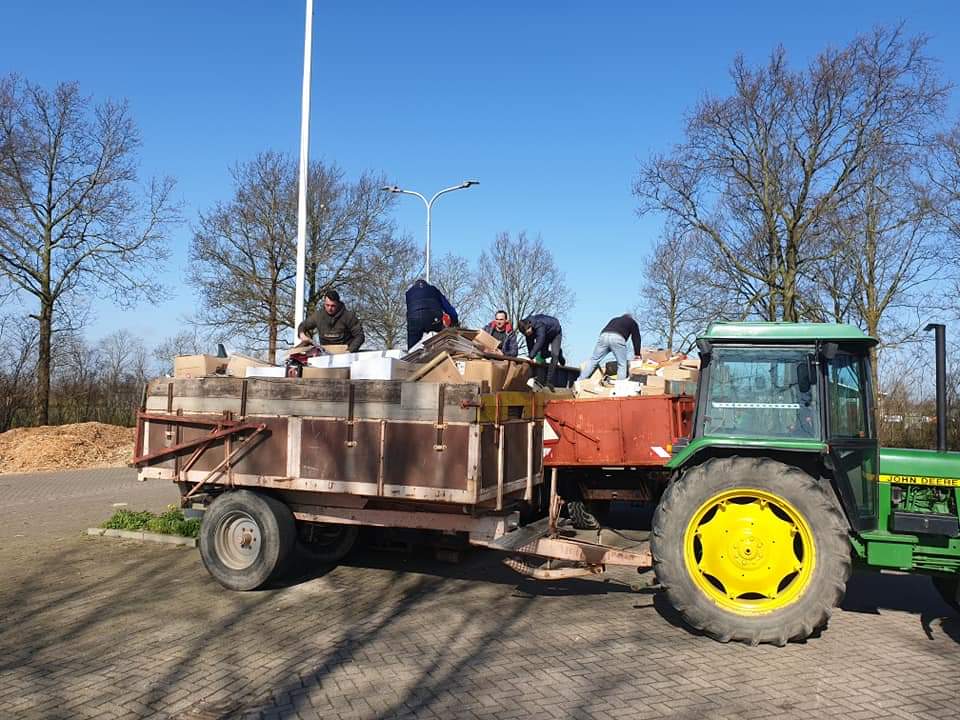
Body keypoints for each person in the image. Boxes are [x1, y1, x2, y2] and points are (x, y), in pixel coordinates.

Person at [297, 289, 365, 352]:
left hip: (345, 352)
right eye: (327, 305)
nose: (330, 308)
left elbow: (360, 336)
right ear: (324, 303)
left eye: (333, 306)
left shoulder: (348, 316)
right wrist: (302, 334)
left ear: (338, 304)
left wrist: (349, 351)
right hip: (325, 353)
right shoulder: (318, 316)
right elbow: (303, 325)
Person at [579, 313, 642, 380]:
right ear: (630, 318)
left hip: (603, 336)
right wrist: (637, 354)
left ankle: (579, 381)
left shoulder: (614, 319)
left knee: (594, 360)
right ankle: (620, 385)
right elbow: (636, 338)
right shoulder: (632, 322)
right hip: (618, 338)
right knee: (622, 364)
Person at [405, 278, 458, 349]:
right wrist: (454, 321)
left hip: (414, 320)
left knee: (413, 348)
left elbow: (410, 310)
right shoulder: (434, 290)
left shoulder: (408, 293)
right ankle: (440, 353)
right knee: (438, 342)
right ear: (427, 284)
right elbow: (448, 308)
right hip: (433, 318)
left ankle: (411, 353)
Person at [518, 314, 564, 386]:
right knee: (543, 355)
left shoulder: (538, 324)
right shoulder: (527, 332)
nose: (529, 334)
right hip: (546, 334)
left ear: (530, 326)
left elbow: (540, 341)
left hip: (555, 332)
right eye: (526, 334)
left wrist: (531, 356)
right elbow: (530, 346)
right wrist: (531, 358)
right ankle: (558, 352)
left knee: (555, 355)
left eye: (529, 331)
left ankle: (549, 381)